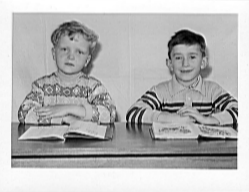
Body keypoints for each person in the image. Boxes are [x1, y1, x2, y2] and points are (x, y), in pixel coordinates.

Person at [126, 29, 238, 129]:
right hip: (170, 150)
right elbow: (133, 113)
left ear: (203, 62)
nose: (185, 64)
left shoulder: (212, 90)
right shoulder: (161, 91)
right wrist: (171, 119)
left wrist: (207, 120)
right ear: (170, 63)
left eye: (192, 57)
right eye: (178, 58)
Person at [18, 20, 116, 125]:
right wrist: (63, 120)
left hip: (82, 141)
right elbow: (25, 113)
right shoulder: (42, 86)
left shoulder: (93, 87)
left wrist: (68, 109)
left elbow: (110, 114)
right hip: (49, 140)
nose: (71, 56)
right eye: (64, 49)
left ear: (87, 60)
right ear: (54, 53)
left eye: (79, 52)